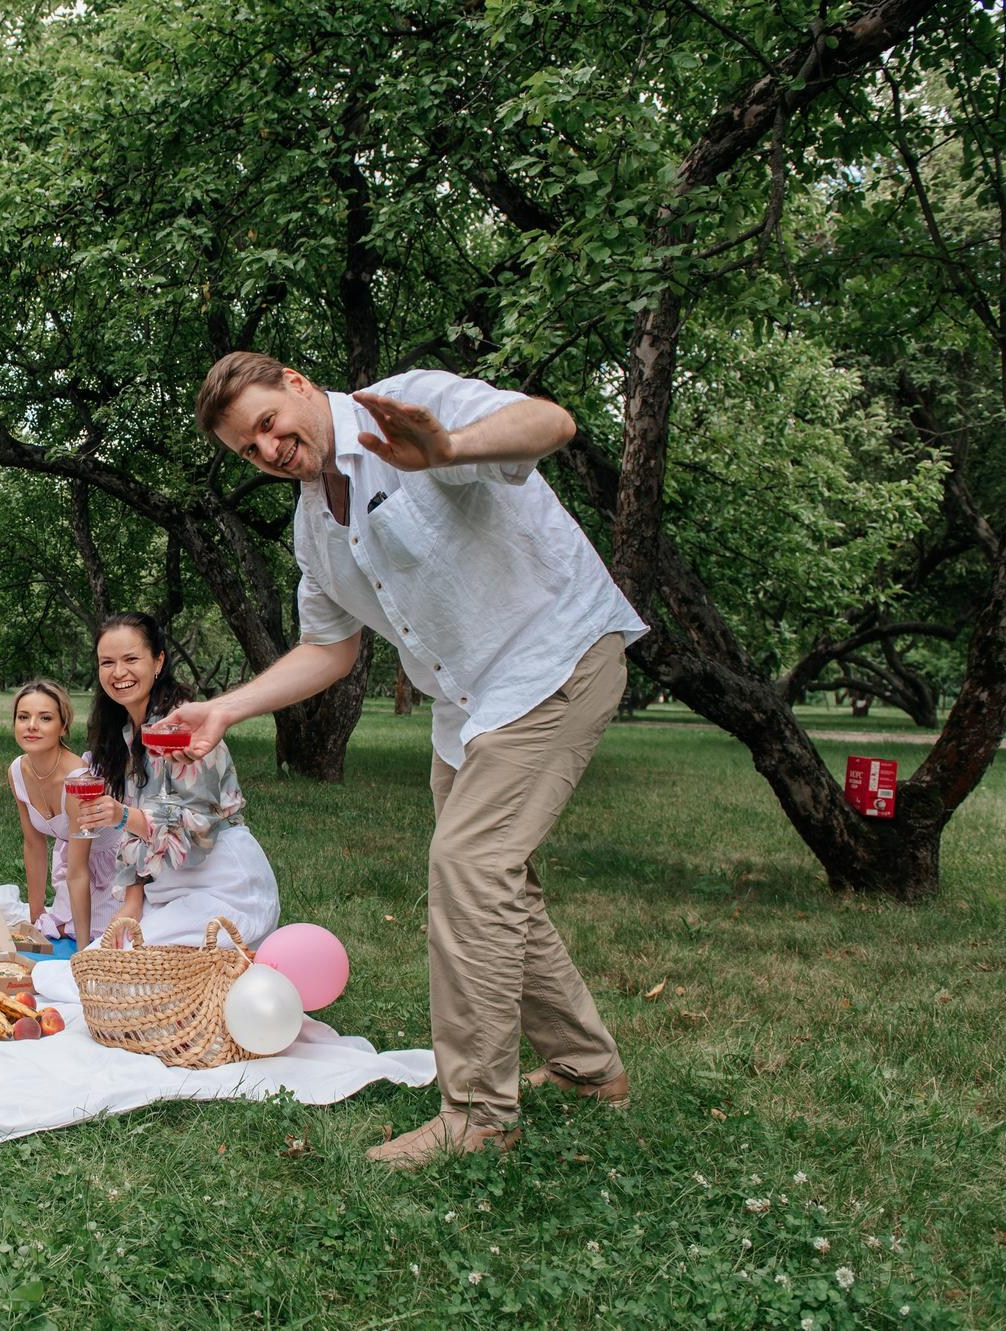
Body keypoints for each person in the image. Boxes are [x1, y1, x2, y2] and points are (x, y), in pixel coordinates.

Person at [170, 351, 648, 1169]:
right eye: (248, 451)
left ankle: (477, 1116)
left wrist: (452, 449)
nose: (269, 451)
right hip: (470, 704)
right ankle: (586, 1067)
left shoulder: (403, 406)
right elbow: (327, 648)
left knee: (469, 864)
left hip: (555, 655)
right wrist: (226, 707)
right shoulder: (313, 528)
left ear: (293, 383)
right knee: (500, 888)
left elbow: (551, 422)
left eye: (268, 426)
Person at [68, 613, 280, 947]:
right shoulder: (121, 734)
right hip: (168, 891)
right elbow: (135, 833)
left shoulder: (186, 729)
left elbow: (195, 829)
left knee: (120, 979)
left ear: (158, 661)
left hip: (223, 889)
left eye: (131, 659)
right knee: (94, 965)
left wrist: (122, 815)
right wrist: (132, 902)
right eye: (107, 662)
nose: (118, 672)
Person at [7, 678, 121, 942]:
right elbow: (34, 845)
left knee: (101, 940)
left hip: (111, 871)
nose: (31, 726)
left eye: (45, 718)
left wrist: (81, 952)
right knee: (51, 928)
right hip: (73, 866)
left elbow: (80, 869)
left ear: (63, 726)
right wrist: (36, 919)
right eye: (23, 717)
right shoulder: (17, 770)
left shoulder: (78, 778)